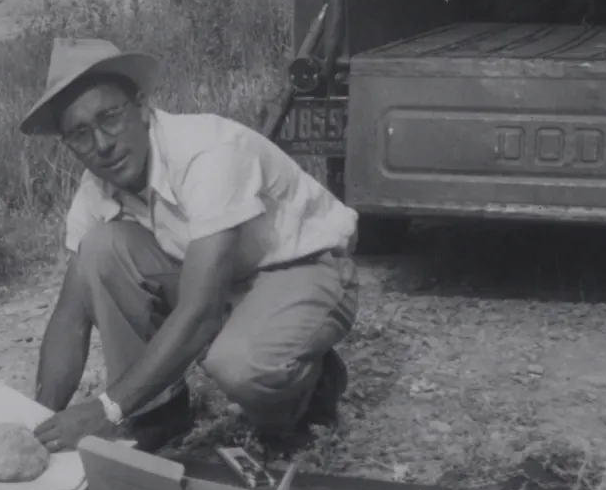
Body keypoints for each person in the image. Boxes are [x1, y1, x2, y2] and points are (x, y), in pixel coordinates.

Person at [23, 37, 360, 454]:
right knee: (99, 249)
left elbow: (200, 311)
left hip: (302, 268)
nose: (102, 144)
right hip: (224, 279)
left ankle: (311, 393)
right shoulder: (96, 190)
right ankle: (157, 415)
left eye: (109, 117)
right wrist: (35, 425)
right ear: (67, 145)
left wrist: (107, 408)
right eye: (80, 134)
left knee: (239, 366)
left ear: (143, 107)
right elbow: (70, 315)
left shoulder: (207, 152)